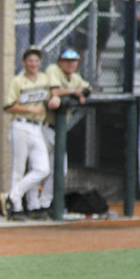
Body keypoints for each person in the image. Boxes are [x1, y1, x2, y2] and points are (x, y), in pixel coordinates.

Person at [28, 48, 92, 219]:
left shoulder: (74, 77)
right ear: (60, 61)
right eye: (67, 61)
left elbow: (88, 88)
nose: (70, 64)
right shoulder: (53, 70)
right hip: (44, 127)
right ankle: (32, 205)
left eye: (74, 61)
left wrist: (80, 92)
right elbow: (55, 91)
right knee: (39, 169)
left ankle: (44, 204)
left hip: (58, 131)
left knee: (60, 170)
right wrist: (74, 92)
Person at [2, 47, 60, 221]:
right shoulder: (18, 81)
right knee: (18, 169)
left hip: (37, 127)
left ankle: (12, 196)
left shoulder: (44, 78)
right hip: (20, 124)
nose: (34, 64)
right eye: (30, 61)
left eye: (36, 61)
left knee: (43, 169)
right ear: (24, 63)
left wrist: (55, 97)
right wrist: (30, 108)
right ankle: (17, 208)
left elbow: (54, 91)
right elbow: (8, 106)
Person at [67, 0, 122, 69]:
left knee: (98, 49)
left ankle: (94, 75)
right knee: (79, 48)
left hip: (103, 18)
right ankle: (76, 75)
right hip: (83, 16)